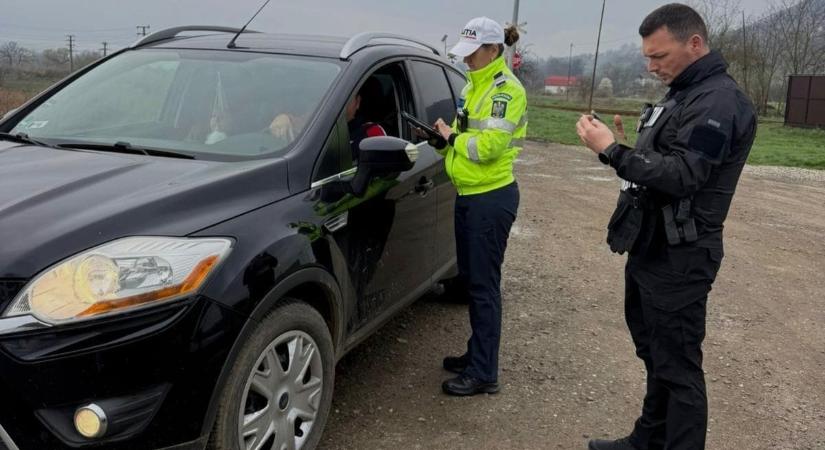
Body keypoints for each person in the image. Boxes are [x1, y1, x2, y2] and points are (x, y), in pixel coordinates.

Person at [574, 4, 757, 449]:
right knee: (656, 353)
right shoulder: (684, 93)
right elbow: (662, 161)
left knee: (678, 368)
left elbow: (684, 175)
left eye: (659, 56)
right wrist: (627, 149)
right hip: (653, 244)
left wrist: (613, 151)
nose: (651, 66)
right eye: (647, 57)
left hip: (682, 254)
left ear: (694, 44)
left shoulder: (718, 101)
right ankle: (648, 440)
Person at [428, 16, 527, 397]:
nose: (467, 60)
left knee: (484, 287)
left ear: (493, 49)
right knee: (471, 281)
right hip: (469, 194)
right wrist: (443, 141)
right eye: (465, 53)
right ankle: (476, 354)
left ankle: (485, 372)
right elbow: (465, 137)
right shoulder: (472, 86)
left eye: (473, 53)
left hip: (491, 197)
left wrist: (452, 137)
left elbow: (488, 147)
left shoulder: (506, 91)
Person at [269, 77, 386, 158]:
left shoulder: (370, 133)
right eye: (330, 96)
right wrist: (285, 119)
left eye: (346, 96)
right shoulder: (307, 126)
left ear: (357, 102)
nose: (338, 102)